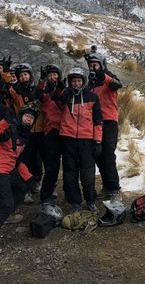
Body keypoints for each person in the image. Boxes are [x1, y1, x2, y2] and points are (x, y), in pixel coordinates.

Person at [0, 105, 39, 255]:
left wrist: (30, 179)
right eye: (26, 116)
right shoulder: (11, 128)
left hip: (8, 167)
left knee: (21, 188)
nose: (28, 119)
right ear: (20, 116)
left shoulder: (25, 136)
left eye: (31, 118)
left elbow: (18, 161)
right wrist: (5, 121)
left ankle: (8, 216)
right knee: (6, 204)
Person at [59, 67, 102, 213]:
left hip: (86, 140)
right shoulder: (66, 96)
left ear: (83, 82)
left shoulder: (92, 97)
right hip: (68, 139)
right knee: (70, 174)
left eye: (79, 81)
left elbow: (98, 120)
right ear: (70, 82)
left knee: (87, 173)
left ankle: (90, 200)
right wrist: (62, 90)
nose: (76, 83)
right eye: (73, 81)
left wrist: (97, 141)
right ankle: (75, 203)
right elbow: (54, 101)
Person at [85, 51, 123, 200]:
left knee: (108, 154)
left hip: (109, 121)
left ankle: (115, 189)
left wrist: (104, 75)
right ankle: (107, 186)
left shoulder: (108, 77)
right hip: (95, 123)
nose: (92, 68)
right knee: (99, 155)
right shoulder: (91, 82)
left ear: (101, 65)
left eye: (95, 65)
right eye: (90, 65)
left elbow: (117, 85)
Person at [8, 63, 44, 187]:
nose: (24, 77)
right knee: (25, 157)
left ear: (30, 75)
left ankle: (37, 181)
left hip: (38, 128)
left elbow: (42, 92)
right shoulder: (16, 91)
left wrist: (42, 81)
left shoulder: (36, 90)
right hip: (24, 129)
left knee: (38, 158)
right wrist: (6, 72)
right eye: (21, 75)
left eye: (25, 74)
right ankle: (27, 183)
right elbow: (6, 86)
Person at [38, 65, 65, 204]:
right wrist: (42, 81)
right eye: (50, 75)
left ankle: (70, 194)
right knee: (51, 167)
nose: (53, 77)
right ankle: (46, 195)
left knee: (69, 166)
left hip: (66, 130)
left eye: (55, 75)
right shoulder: (45, 92)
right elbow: (39, 94)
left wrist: (62, 91)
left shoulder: (64, 89)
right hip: (51, 130)